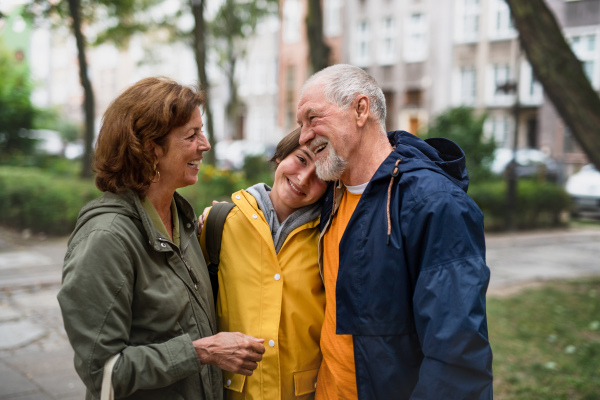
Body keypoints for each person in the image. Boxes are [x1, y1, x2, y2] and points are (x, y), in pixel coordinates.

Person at [58, 76, 265, 400]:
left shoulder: (182, 221)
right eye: (192, 134)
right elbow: (103, 373)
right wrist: (201, 352)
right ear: (151, 148)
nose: (205, 144)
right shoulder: (106, 240)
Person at [296, 64, 493, 399]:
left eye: (312, 118)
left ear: (361, 109)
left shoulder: (434, 204)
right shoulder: (329, 193)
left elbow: (456, 358)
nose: (303, 136)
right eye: (300, 125)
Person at [199, 128, 327, 400]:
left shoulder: (328, 238)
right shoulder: (220, 223)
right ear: (280, 156)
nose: (304, 178)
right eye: (302, 159)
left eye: (321, 175)